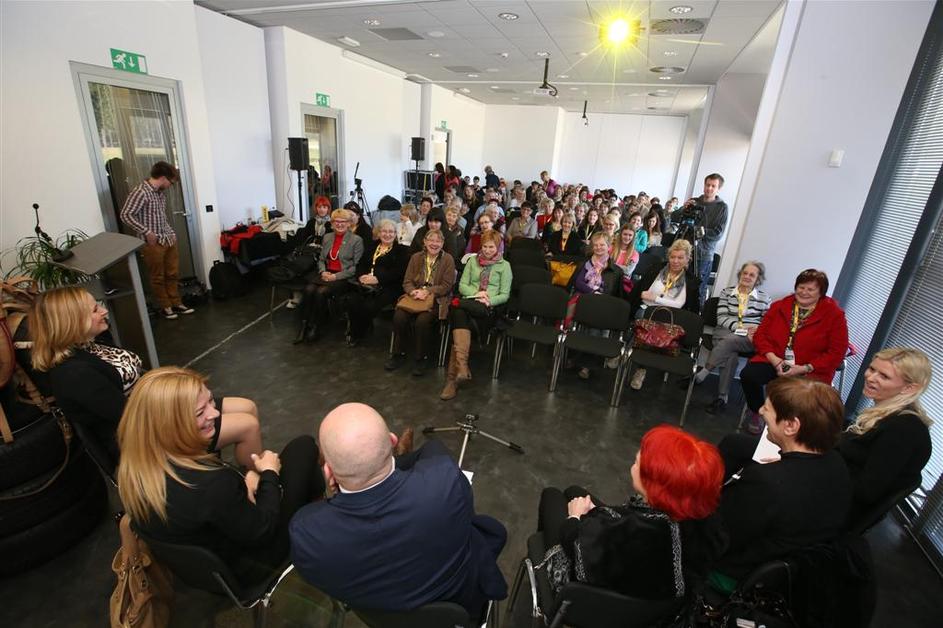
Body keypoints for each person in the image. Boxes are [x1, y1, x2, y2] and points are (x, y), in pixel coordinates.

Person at [290, 403, 507, 619]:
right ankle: (399, 458)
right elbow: (434, 455)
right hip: (461, 613)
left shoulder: (306, 535)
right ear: (392, 440)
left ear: (328, 471)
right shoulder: (445, 481)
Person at [118, 367, 324, 584]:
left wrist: (244, 483)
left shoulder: (134, 469)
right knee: (303, 447)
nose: (215, 414)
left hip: (208, 572)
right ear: (169, 426)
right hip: (253, 564)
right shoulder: (211, 484)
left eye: (211, 401)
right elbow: (264, 529)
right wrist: (269, 474)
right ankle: (323, 523)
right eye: (200, 412)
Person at [30, 287, 261, 467]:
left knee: (247, 406)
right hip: (143, 440)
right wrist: (181, 408)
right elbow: (131, 419)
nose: (104, 311)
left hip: (154, 412)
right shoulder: (75, 374)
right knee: (247, 426)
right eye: (94, 310)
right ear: (71, 321)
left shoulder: (91, 344)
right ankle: (257, 485)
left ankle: (240, 478)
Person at [537, 425, 726, 600]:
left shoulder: (632, 537)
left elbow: (578, 546)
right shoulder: (706, 524)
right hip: (660, 608)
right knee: (574, 491)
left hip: (589, 601)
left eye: (637, 464)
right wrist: (597, 513)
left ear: (655, 487)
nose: (634, 465)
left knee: (552, 496)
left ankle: (540, 575)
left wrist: (574, 518)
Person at [712, 378, 851, 590]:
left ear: (791, 426)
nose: (760, 411)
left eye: (767, 408)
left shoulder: (765, 482)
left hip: (738, 575)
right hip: (794, 574)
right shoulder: (836, 462)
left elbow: (720, 537)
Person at [739, 269, 848, 434]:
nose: (804, 292)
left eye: (810, 289)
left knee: (801, 396)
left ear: (821, 293)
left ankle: (789, 424)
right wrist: (775, 359)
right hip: (775, 359)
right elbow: (760, 335)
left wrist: (805, 368)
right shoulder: (779, 306)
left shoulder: (834, 315)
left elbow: (837, 352)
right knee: (749, 376)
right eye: (801, 287)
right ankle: (758, 411)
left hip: (810, 368)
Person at [838, 347, 933, 523]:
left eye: (884, 376)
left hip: (838, 510)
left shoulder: (903, 430)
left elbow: (865, 492)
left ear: (909, 388)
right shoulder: (885, 413)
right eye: (872, 369)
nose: (870, 377)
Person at [440, 231, 512, 401]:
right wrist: (477, 293)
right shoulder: (472, 261)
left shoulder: (504, 266)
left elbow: (505, 294)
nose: (487, 250)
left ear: (498, 247)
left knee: (457, 312)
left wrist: (489, 299)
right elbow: (462, 286)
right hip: (470, 303)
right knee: (460, 316)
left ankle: (454, 377)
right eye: (485, 246)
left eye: (491, 247)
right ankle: (460, 370)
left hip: (488, 310)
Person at [119, 161, 194, 320]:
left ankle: (176, 303)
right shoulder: (140, 192)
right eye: (171, 182)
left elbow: (161, 216)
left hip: (167, 238)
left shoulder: (160, 193)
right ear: (163, 177)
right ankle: (166, 307)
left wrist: (171, 232)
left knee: (173, 273)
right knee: (158, 276)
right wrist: (146, 232)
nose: (170, 185)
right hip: (152, 243)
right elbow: (125, 215)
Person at [697, 262, 772, 415]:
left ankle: (704, 372)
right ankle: (722, 397)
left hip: (750, 337)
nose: (747, 277)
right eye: (745, 273)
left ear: (758, 279)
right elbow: (721, 318)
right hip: (725, 331)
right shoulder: (727, 292)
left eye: (752, 275)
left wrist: (755, 330)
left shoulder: (765, 298)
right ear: (740, 274)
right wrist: (742, 328)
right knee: (730, 352)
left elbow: (767, 323)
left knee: (729, 343)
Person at [627, 239, 700, 390]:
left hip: (671, 318)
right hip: (646, 309)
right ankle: (632, 359)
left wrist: (656, 298)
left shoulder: (690, 281)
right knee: (645, 322)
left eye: (680, 258)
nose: (676, 261)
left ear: (687, 259)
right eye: (673, 257)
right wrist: (661, 300)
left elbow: (679, 304)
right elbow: (642, 293)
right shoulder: (657, 269)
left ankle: (641, 368)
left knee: (654, 330)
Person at [386, 229, 456, 376]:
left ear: (443, 243)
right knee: (399, 316)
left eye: (438, 241)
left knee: (422, 321)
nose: (434, 244)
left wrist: (428, 291)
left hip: (436, 299)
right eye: (431, 240)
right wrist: (413, 291)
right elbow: (407, 281)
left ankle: (421, 357)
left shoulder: (448, 259)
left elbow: (446, 286)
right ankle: (399, 353)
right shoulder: (416, 257)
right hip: (415, 297)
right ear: (424, 241)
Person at [295, 209, 364, 344]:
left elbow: (356, 267)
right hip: (327, 273)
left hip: (344, 277)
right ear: (331, 224)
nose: (339, 224)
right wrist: (322, 272)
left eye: (343, 221)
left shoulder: (356, 240)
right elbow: (321, 260)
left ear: (349, 223)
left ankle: (316, 326)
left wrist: (336, 276)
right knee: (308, 290)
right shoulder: (327, 237)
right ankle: (304, 326)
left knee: (321, 292)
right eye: (336, 221)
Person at [339, 220, 410, 347]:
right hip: (365, 285)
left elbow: (398, 272)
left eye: (391, 232)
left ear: (395, 234)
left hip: (388, 286)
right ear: (379, 233)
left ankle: (357, 333)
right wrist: (361, 276)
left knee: (369, 306)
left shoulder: (401, 251)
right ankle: (358, 330)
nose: (387, 234)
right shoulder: (371, 246)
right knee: (351, 300)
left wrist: (378, 279)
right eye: (384, 231)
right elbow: (360, 264)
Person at [673, 174, 728, 305]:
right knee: (676, 285)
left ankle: (695, 313)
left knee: (698, 290)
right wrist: (683, 209)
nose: (709, 188)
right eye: (707, 185)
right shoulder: (694, 201)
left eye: (713, 186)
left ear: (718, 188)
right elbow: (674, 218)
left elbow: (718, 233)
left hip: (703, 254)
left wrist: (699, 230)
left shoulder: (722, 207)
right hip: (684, 251)